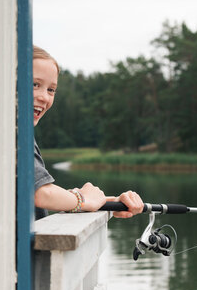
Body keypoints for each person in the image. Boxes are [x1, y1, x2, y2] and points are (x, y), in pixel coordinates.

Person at [32, 45, 144, 220]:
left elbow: (37, 193)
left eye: (51, 90)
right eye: (34, 84)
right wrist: (82, 199)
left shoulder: (18, 133)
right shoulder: (12, 134)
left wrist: (110, 203)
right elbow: (41, 194)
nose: (44, 97)